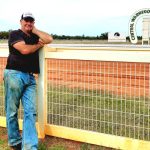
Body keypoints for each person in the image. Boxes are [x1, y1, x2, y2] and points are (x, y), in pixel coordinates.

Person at [4, 12, 53, 150]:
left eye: (31, 21)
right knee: (12, 111)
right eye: (26, 20)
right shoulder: (15, 34)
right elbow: (24, 49)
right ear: (21, 21)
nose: (28, 23)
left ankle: (30, 146)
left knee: (30, 112)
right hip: (14, 74)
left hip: (30, 77)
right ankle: (14, 141)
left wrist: (36, 30)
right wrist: (38, 45)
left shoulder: (34, 34)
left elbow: (49, 38)